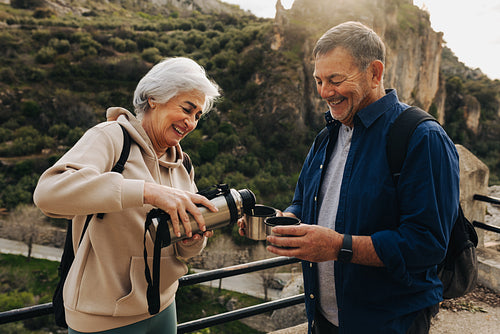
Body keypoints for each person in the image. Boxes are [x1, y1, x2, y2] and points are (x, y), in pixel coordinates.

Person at [263, 21, 460, 333]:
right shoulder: (325, 137)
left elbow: (428, 244)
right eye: (319, 80)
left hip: (390, 323)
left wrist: (339, 247)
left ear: (374, 73)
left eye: (336, 80)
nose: (325, 92)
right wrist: (283, 220)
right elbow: (304, 202)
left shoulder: (421, 137)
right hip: (324, 320)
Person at [33, 57, 221, 334]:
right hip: (101, 317)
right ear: (155, 98)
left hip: (164, 306)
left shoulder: (183, 164)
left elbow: (181, 251)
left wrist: (192, 240)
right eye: (187, 109)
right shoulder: (110, 138)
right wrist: (147, 192)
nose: (191, 122)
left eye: (197, 116)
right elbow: (48, 194)